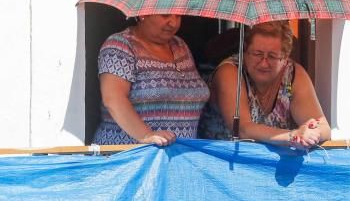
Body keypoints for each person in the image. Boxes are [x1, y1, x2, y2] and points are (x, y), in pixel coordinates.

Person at [199, 21, 331, 148]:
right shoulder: (229, 72)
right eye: (257, 54)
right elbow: (243, 129)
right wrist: (292, 136)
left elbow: (324, 128)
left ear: (285, 58)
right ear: (245, 51)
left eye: (272, 56)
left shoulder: (293, 74)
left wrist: (312, 132)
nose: (263, 63)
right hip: (221, 163)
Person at [93, 14, 210, 145]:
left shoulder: (180, 45)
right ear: (143, 14)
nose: (173, 23)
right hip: (133, 158)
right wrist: (146, 135)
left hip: (178, 157)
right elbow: (113, 99)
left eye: (178, 16)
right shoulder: (119, 45)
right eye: (165, 15)